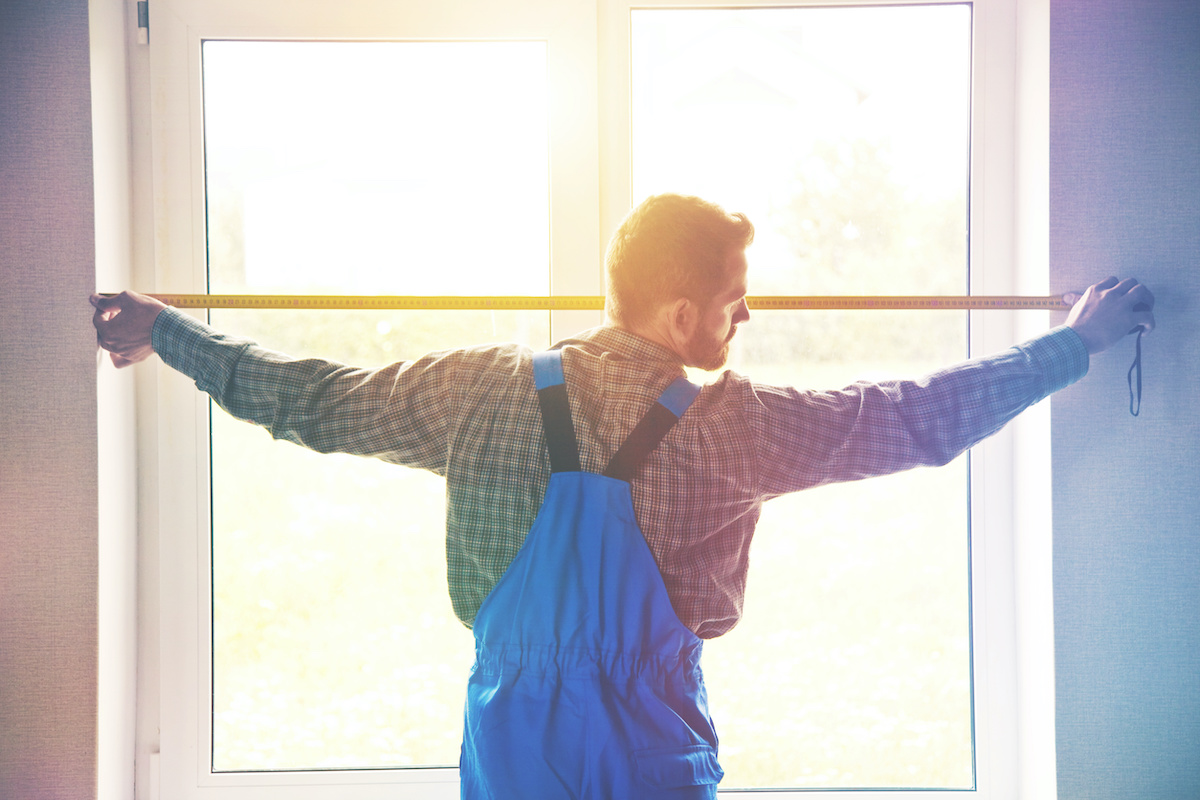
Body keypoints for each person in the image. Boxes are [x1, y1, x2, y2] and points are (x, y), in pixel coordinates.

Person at [93, 193, 1155, 798]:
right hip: (652, 757)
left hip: (511, 756)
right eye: (735, 308)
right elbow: (914, 416)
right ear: (685, 312)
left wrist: (166, 329)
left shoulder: (475, 386)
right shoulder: (735, 424)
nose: (744, 328)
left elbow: (308, 398)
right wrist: (1072, 344)